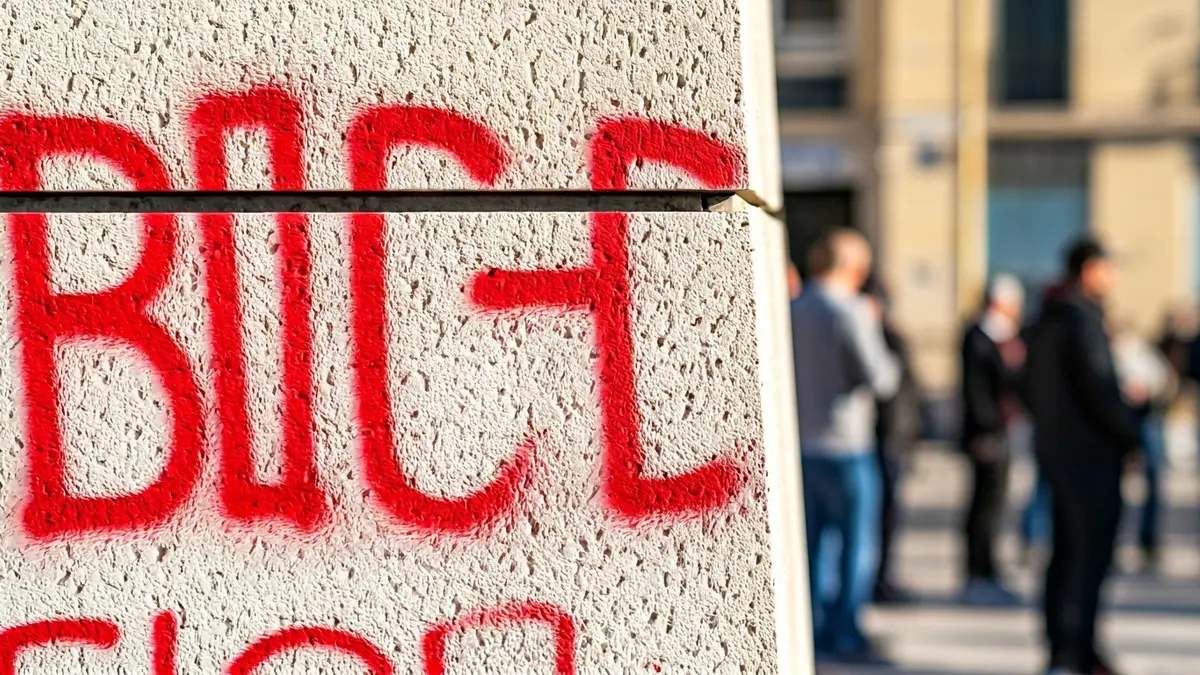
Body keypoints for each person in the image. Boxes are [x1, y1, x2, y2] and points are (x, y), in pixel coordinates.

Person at [1023, 239, 1140, 675]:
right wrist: (1129, 433)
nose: (1113, 277)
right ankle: (1077, 650)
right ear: (1090, 269)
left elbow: (1027, 387)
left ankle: (1063, 647)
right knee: (1088, 557)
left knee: (1065, 553)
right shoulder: (1081, 319)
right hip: (1091, 456)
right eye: (1109, 268)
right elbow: (1100, 388)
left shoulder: (1045, 318)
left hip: (1056, 453)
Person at [791, 228, 900, 665]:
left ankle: (814, 629)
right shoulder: (852, 310)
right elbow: (882, 378)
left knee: (813, 546)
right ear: (854, 267)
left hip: (803, 442)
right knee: (856, 546)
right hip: (847, 443)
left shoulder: (792, 306)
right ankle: (845, 632)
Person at [958, 273, 1025, 607]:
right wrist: (987, 429)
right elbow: (976, 391)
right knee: (983, 505)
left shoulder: (1005, 337)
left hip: (1002, 431)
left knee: (995, 505)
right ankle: (977, 572)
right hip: (987, 434)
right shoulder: (979, 336)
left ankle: (990, 569)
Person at [866, 278, 922, 606]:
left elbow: (906, 396)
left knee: (888, 516)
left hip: (892, 439)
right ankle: (874, 580)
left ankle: (882, 577)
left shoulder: (891, 339)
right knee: (875, 517)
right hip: (878, 439)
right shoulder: (874, 338)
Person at [1110, 317, 1176, 572]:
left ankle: (1148, 543)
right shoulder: (1104, 353)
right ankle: (1110, 544)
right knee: (1112, 487)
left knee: (1153, 482)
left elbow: (1166, 381)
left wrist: (1146, 390)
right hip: (1117, 423)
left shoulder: (1142, 353)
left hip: (1146, 420)